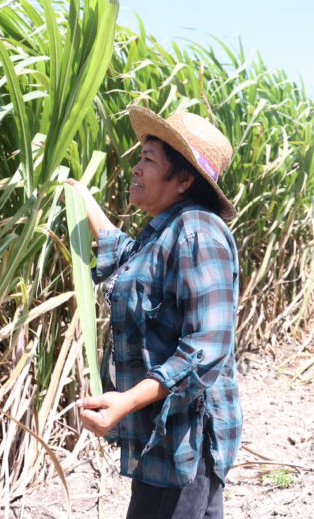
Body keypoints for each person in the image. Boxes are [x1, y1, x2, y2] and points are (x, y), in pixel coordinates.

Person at [65, 104, 242, 519]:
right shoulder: (164, 232)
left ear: (183, 179)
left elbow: (206, 347)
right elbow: (129, 263)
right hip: (163, 437)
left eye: (148, 159)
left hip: (186, 440)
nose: (136, 168)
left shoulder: (198, 231)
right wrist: (82, 199)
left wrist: (126, 401)